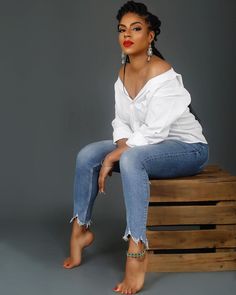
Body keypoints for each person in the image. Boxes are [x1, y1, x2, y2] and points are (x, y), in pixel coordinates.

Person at [63, 1, 209, 294]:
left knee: (131, 160)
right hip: (147, 144)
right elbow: (122, 123)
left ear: (151, 35)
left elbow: (156, 131)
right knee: (89, 154)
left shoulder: (162, 73)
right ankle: (80, 230)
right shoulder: (123, 72)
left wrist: (116, 156)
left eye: (136, 28)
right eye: (122, 29)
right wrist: (115, 149)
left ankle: (137, 249)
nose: (127, 35)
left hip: (187, 149)